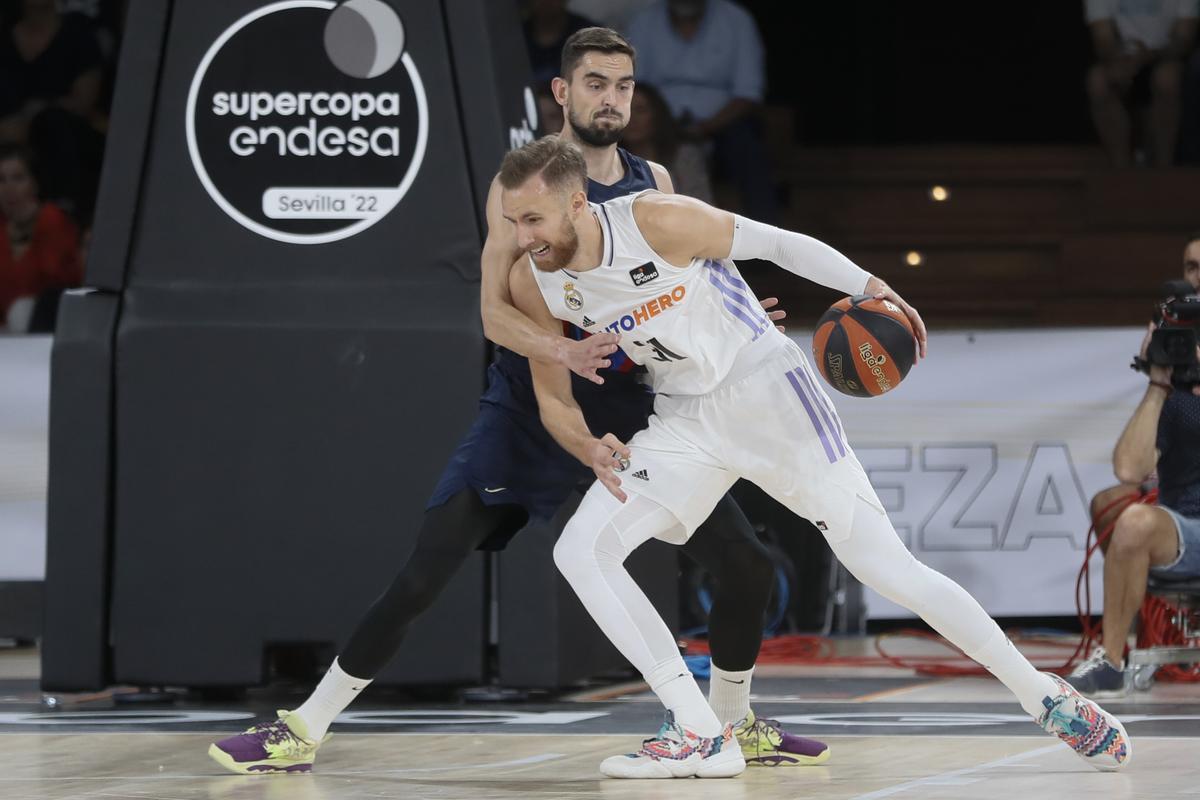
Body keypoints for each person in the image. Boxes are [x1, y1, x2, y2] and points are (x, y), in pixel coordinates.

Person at [208, 27, 827, 776]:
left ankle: (732, 723)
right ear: (561, 93)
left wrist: (738, 316)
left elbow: (698, 283)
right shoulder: (524, 182)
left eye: (623, 85)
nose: (611, 99)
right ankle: (300, 729)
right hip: (530, 399)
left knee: (748, 566)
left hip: (630, 404)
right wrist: (560, 349)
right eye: (595, 83)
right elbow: (494, 311)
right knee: (425, 571)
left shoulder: (653, 181)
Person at [501, 134, 1132, 779]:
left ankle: (1043, 696)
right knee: (582, 550)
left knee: (888, 569)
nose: (523, 237)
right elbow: (524, 354)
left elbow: (777, 244)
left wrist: (873, 286)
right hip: (685, 420)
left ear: (577, 203)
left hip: (768, 393)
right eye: (513, 223)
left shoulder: (655, 219)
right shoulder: (537, 281)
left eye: (533, 220)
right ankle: (701, 732)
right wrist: (584, 443)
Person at [1068, 235, 1200, 696]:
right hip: (1189, 528)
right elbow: (1129, 468)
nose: (1197, 276)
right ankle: (1111, 660)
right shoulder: (1177, 370)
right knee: (1131, 518)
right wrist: (1159, 382)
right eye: (1191, 266)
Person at [625, 0, 776, 220]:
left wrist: (706, 127)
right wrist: (663, 122)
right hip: (658, 122)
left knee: (748, 148)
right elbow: (635, 85)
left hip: (724, 124)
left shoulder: (736, 20)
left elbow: (749, 92)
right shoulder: (644, 21)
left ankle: (767, 240)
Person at [0, 0, 108, 220]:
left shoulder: (77, 33)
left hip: (70, 138)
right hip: (10, 135)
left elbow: (84, 101)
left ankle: (64, 213)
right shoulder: (4, 39)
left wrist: (39, 111)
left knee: (52, 123)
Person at [1085, 0, 1199, 167]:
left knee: (1167, 78)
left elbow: (1184, 37)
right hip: (1123, 58)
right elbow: (1102, 37)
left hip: (1165, 58)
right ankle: (1121, 169)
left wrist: (1151, 55)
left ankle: (1163, 167)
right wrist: (1119, 59)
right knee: (1098, 80)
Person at [0, 144, 81, 332]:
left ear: (35, 183)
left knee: (22, 311)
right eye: (1, 180)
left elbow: (57, 280)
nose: (8, 188)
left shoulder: (52, 219)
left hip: (49, 325)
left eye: (18, 178)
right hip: (4, 334)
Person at [621, 82, 713, 203]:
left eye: (641, 110)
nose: (632, 118)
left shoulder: (684, 155)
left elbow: (702, 204)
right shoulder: (606, 159)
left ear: (657, 115)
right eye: (625, 110)